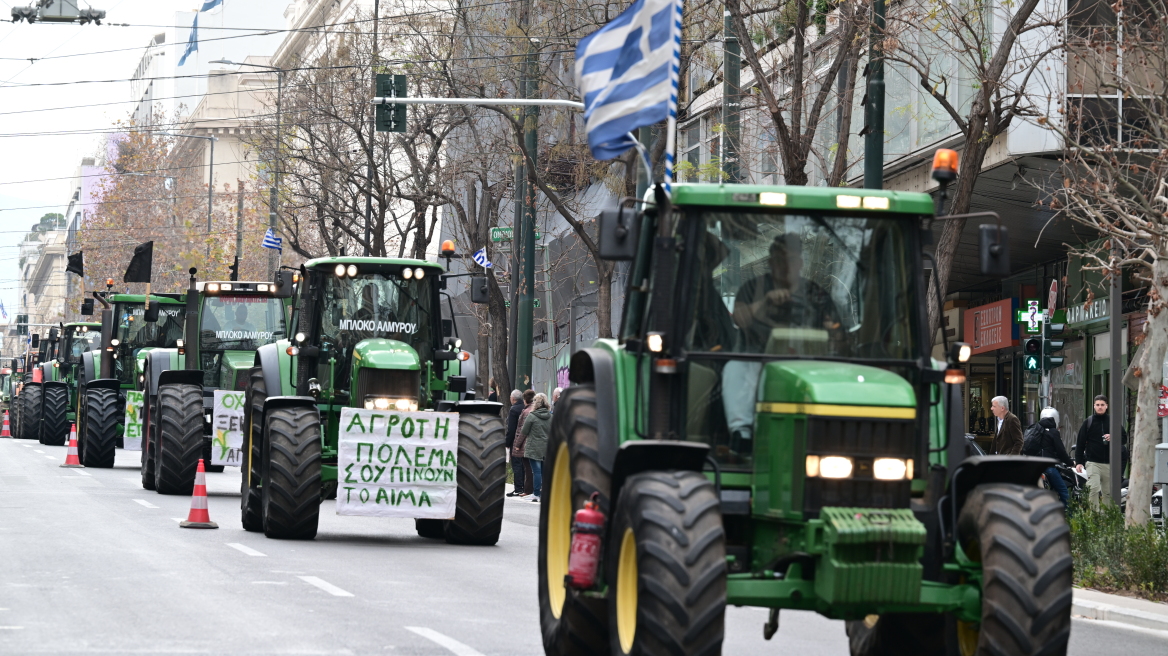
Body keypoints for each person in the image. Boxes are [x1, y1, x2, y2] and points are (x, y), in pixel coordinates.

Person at [722, 233, 839, 455]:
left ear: (800, 263)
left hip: (809, 364)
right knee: (735, 367)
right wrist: (764, 302)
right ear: (770, 262)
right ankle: (742, 433)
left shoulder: (817, 294)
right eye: (779, 260)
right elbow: (739, 319)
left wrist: (830, 328)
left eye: (791, 260)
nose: (785, 265)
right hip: (758, 362)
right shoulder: (753, 288)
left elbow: (836, 332)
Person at [1075, 395, 1128, 508]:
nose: (1100, 407)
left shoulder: (1113, 421)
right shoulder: (1088, 422)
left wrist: (1113, 437)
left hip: (1109, 463)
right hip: (1093, 462)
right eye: (1098, 405)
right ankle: (1094, 514)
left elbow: (1124, 439)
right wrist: (1079, 462)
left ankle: (1105, 517)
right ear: (1094, 406)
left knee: (1108, 492)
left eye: (1102, 405)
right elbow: (1080, 443)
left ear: (1106, 406)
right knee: (1093, 488)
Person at [1030, 407, 1075, 506]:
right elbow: (1061, 451)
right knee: (1064, 491)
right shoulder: (1053, 432)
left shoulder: (1035, 430)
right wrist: (1071, 463)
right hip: (1047, 467)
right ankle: (1067, 514)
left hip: (1034, 466)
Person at [521, 393, 552, 502]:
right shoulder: (551, 416)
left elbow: (524, 431)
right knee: (543, 472)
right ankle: (544, 494)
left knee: (536, 472)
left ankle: (536, 494)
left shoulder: (532, 416)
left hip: (534, 446)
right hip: (546, 447)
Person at [512, 389, 537, 496]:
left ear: (525, 400)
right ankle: (536, 490)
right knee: (537, 468)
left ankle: (528, 490)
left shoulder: (526, 412)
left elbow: (522, 431)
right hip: (539, 444)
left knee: (528, 468)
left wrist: (517, 444)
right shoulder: (539, 411)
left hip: (527, 444)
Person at [505, 390, 525, 497]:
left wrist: (507, 442)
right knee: (524, 465)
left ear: (512, 398)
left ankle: (518, 488)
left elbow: (511, 429)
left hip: (516, 441)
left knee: (516, 465)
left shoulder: (514, 409)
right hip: (526, 440)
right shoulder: (525, 407)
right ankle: (525, 487)